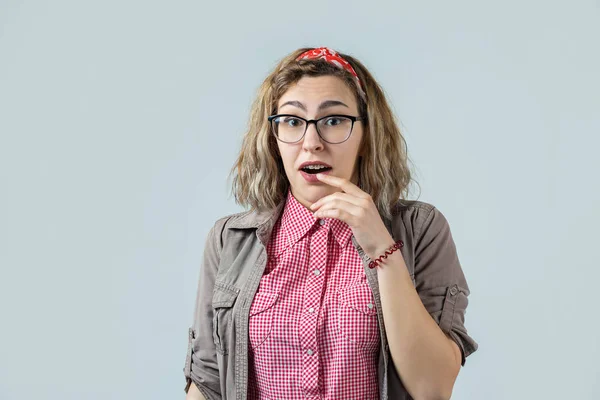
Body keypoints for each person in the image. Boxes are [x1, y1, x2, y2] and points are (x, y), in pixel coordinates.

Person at [183, 47, 478, 400]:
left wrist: (382, 250)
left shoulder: (420, 229)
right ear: (274, 139)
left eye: (334, 121)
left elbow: (432, 389)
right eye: (292, 122)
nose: (312, 143)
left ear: (367, 136)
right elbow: (207, 383)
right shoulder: (229, 240)